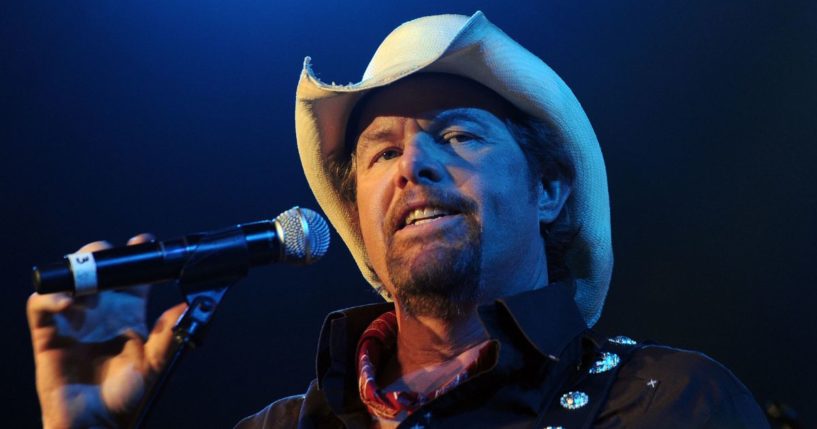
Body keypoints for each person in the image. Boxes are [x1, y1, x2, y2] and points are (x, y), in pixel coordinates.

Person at [27, 12, 769, 428]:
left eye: (456, 136)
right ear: (360, 228)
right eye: (381, 153)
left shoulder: (668, 401)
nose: (413, 166)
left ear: (548, 189)